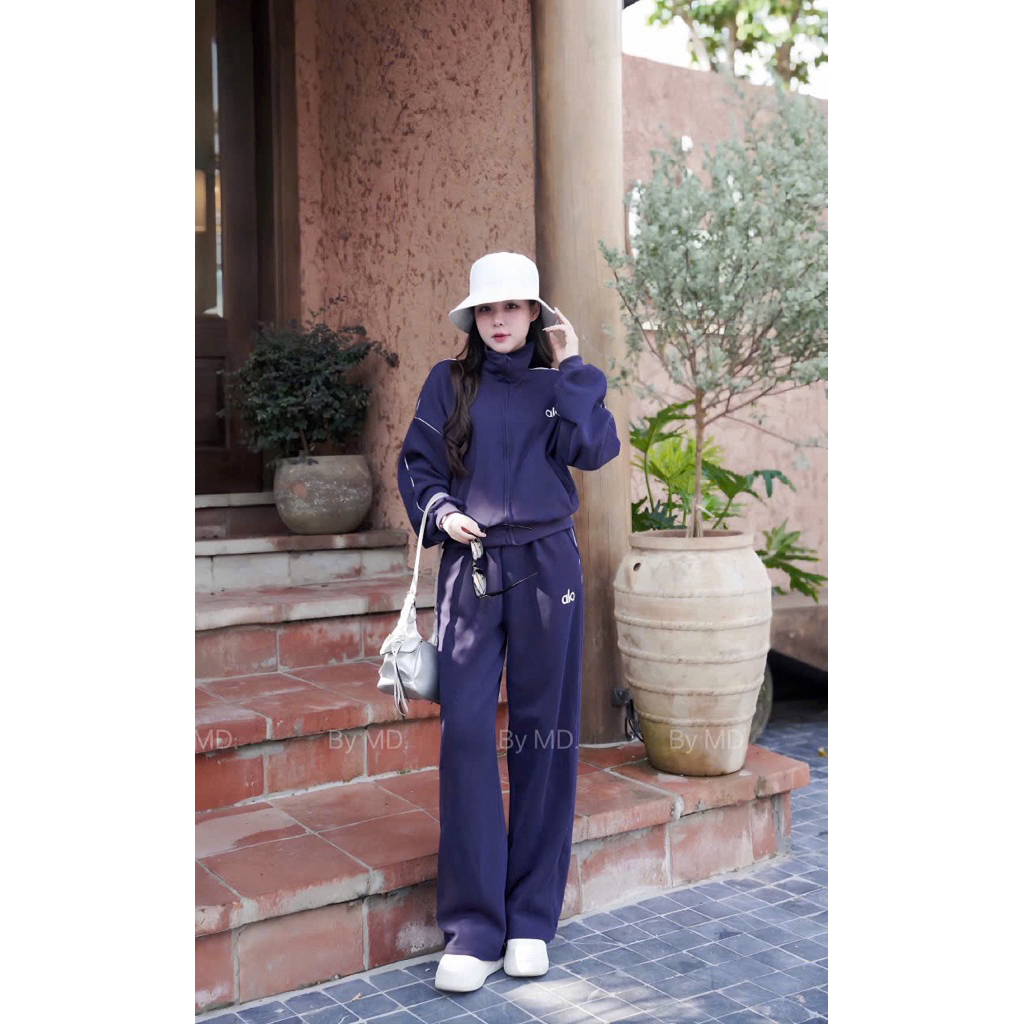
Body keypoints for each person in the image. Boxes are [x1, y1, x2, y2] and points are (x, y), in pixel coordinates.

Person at [396, 251, 621, 993]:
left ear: (534, 314)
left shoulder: (558, 387)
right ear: (474, 318)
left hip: (548, 568)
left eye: (512, 307)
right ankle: (473, 929)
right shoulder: (447, 382)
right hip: (471, 568)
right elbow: (417, 465)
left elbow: (594, 449)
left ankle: (529, 920)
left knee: (543, 736)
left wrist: (576, 367)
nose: (499, 320)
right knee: (465, 734)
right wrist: (442, 511)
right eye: (487, 309)